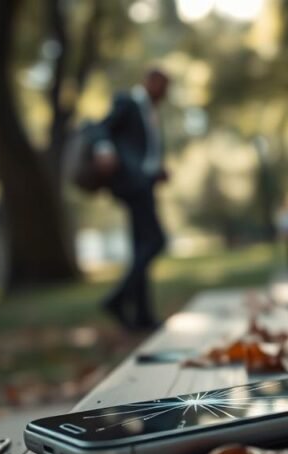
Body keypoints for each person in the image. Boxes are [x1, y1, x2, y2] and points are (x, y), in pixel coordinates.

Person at [93, 69, 170, 330]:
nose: (165, 93)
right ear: (150, 81)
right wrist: (104, 150)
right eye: (163, 85)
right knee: (156, 241)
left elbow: (141, 150)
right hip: (132, 184)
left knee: (141, 248)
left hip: (144, 183)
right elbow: (102, 128)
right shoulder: (128, 102)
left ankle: (141, 317)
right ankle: (117, 298)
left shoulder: (151, 113)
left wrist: (157, 170)